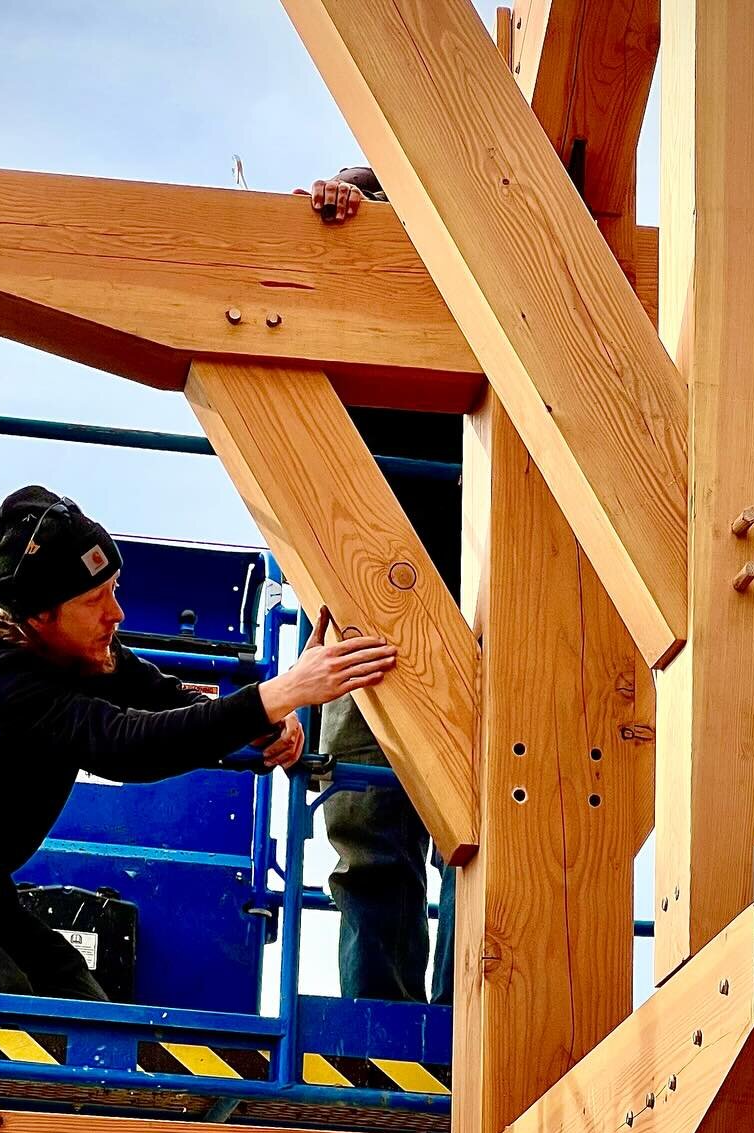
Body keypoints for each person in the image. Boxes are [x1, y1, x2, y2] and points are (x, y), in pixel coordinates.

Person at [0, 485, 396, 1000]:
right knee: (6, 1015)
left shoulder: (85, 656)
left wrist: (266, 722)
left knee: (82, 1011)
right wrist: (277, 694)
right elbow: (123, 744)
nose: (116, 613)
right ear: (41, 614)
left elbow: (167, 702)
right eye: (96, 599)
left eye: (113, 590)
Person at [295, 169, 462, 1006]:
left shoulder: (484, 257)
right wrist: (346, 201)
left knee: (491, 824)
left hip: (486, 596)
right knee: (368, 827)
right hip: (368, 601)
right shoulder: (364, 253)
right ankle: (386, 1038)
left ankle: (472, 1028)